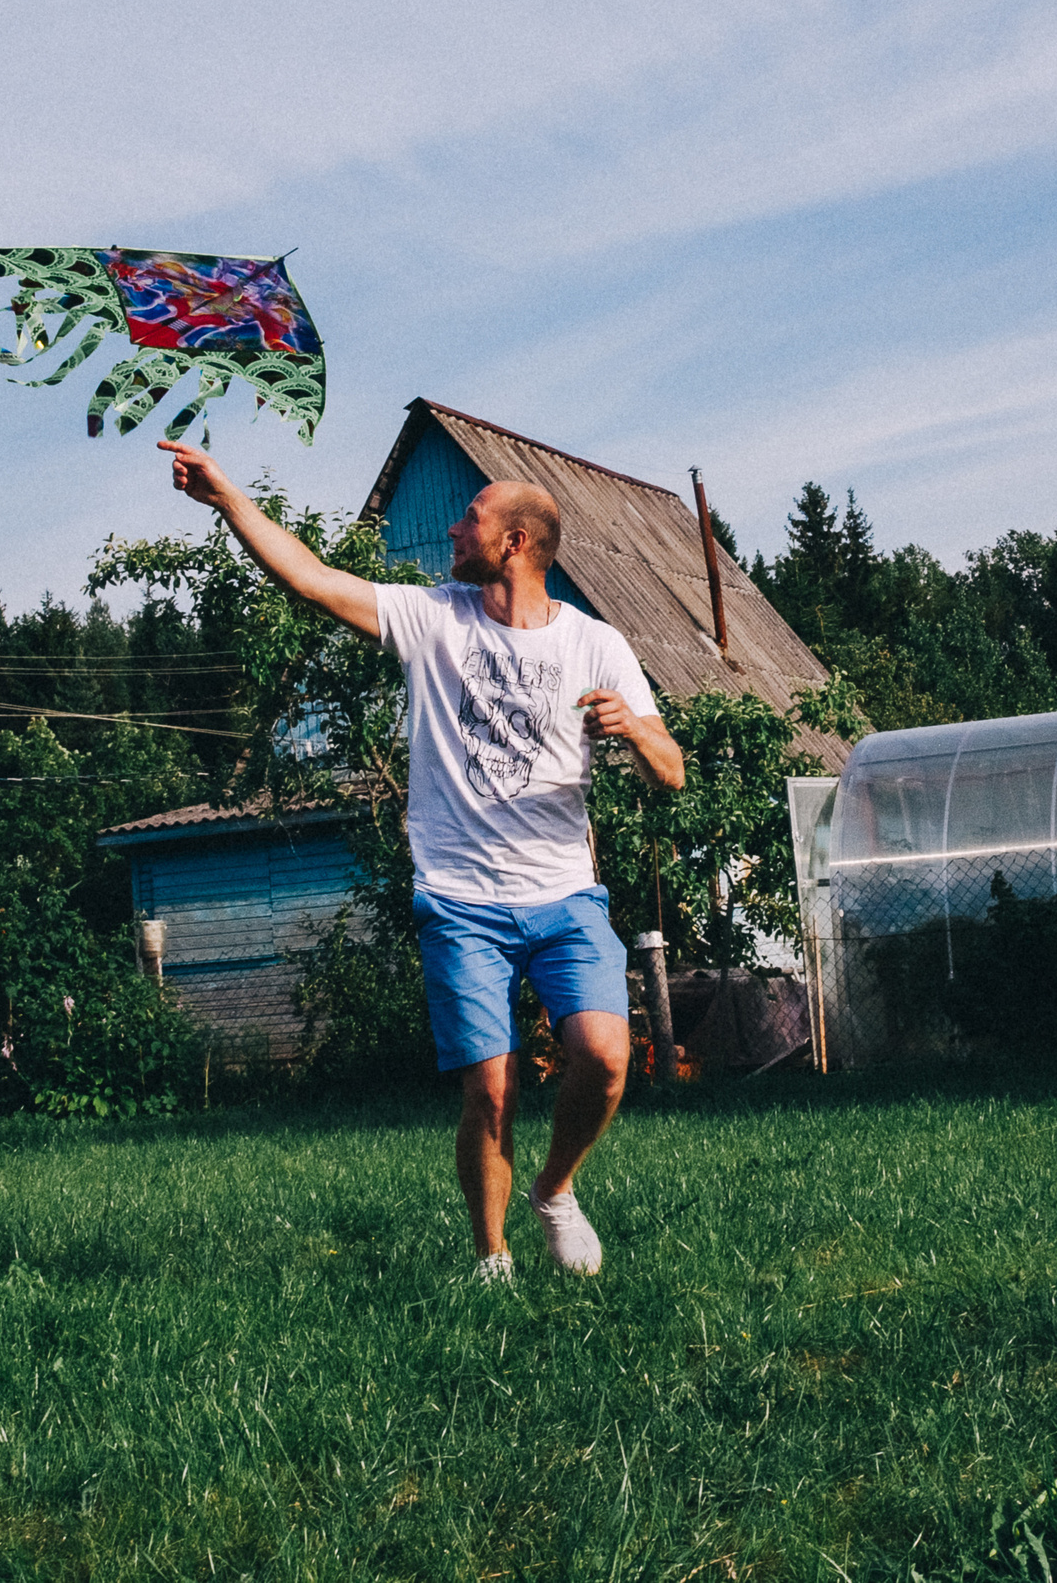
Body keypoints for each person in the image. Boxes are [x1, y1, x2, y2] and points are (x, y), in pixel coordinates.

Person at [159, 439, 685, 1283]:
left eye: (469, 519)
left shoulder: (597, 645)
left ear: (515, 542)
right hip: (461, 900)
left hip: (564, 896)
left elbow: (674, 769)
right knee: (492, 1087)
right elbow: (311, 578)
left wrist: (636, 728)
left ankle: (555, 1188)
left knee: (608, 1057)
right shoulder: (433, 617)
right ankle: (493, 1259)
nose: (450, 527)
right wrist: (228, 501)